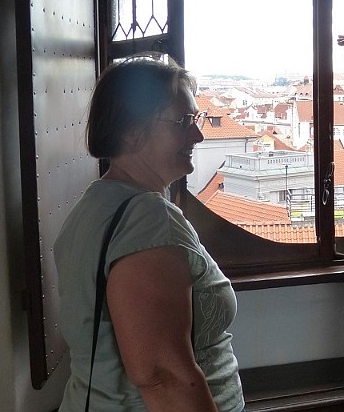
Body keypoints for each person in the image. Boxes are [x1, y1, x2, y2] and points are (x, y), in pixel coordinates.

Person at [54, 54, 245, 411]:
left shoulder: (93, 206)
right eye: (182, 121)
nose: (198, 134)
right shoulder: (147, 218)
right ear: (131, 131)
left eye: (196, 119)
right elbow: (163, 376)